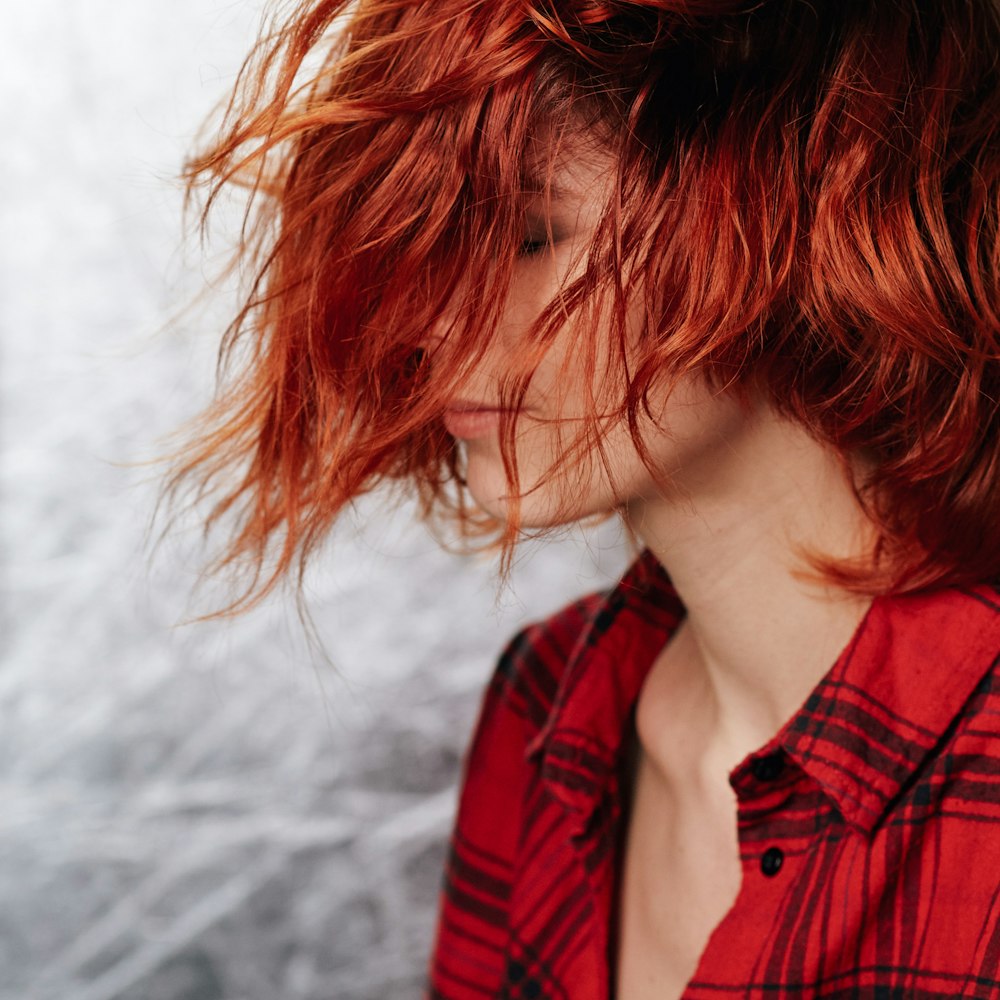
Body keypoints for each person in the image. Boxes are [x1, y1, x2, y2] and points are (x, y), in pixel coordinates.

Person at [174, 0, 1000, 995]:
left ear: (796, 218)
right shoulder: (544, 709)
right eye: (423, 247)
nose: (424, 322)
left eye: (528, 236)